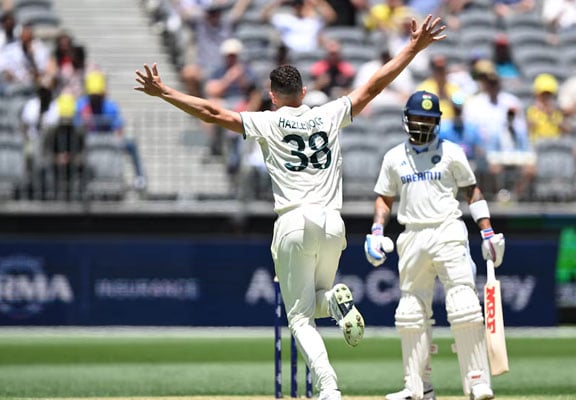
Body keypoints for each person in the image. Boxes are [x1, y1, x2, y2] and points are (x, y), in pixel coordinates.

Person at [135, 14, 446, 400]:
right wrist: (413, 48)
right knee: (315, 302)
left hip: (293, 221)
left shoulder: (266, 122)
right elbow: (374, 85)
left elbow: (214, 113)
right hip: (333, 222)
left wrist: (165, 91)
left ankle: (329, 387)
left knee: (298, 316)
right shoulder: (328, 114)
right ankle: (333, 300)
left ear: (272, 94)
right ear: (302, 92)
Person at [365, 90, 505, 400]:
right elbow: (384, 199)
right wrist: (376, 230)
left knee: (464, 306)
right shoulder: (393, 157)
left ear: (438, 122)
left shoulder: (453, 152)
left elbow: (472, 192)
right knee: (410, 312)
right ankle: (417, 388)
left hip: (448, 231)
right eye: (418, 118)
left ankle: (477, 381)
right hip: (411, 234)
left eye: (428, 119)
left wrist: (487, 232)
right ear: (406, 119)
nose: (422, 124)